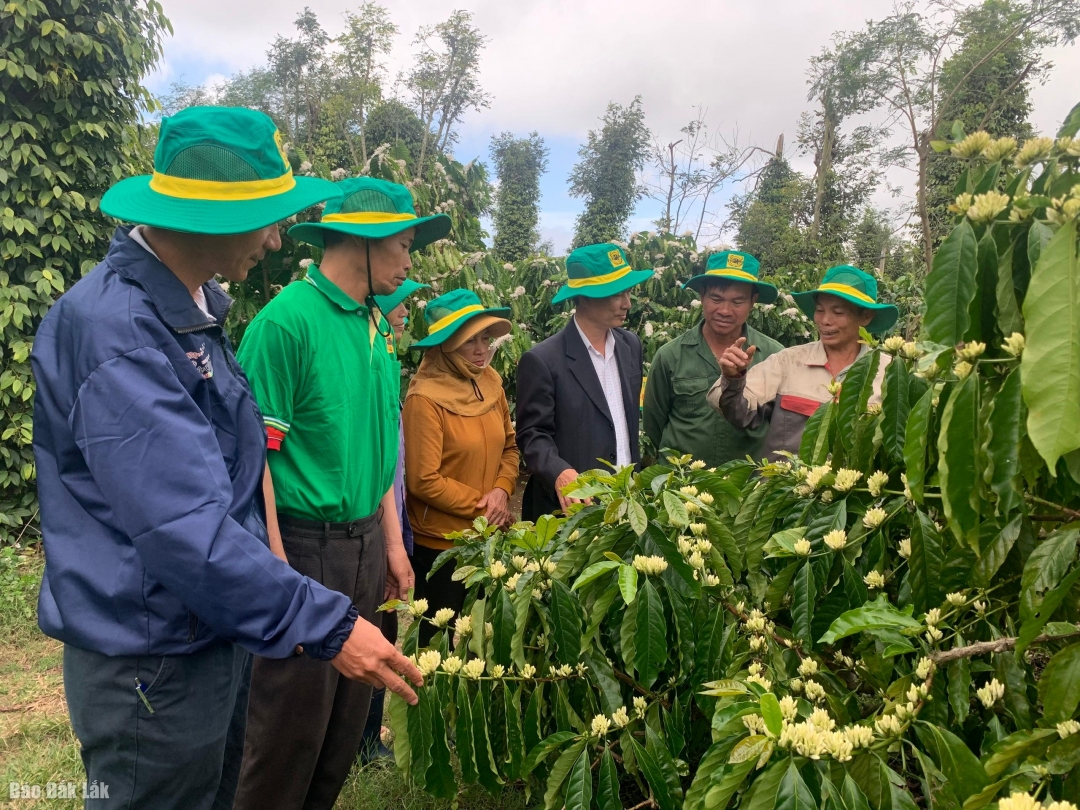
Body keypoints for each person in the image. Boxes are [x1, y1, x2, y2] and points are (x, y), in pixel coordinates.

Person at [30, 106, 422, 810]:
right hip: (151, 659)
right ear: (213, 218)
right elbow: (185, 527)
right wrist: (328, 625)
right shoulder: (118, 332)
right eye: (269, 216)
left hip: (201, 630)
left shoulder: (192, 311)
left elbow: (232, 478)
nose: (277, 237)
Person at [233, 177, 449, 810]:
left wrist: (391, 545)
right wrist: (275, 571)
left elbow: (381, 449)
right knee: (285, 731)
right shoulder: (286, 324)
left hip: (361, 548)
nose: (411, 262)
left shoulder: (377, 328)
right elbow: (255, 464)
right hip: (302, 546)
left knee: (341, 726)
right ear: (361, 241)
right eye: (404, 245)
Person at [403, 289, 519, 646]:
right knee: (437, 640)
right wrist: (485, 507)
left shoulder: (491, 384)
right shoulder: (424, 399)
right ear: (445, 345)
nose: (482, 350)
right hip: (443, 543)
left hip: (487, 534)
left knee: (483, 636)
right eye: (471, 341)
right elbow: (423, 480)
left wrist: (501, 491)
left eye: (486, 339)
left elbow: (511, 448)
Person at [516, 243, 653, 521]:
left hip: (626, 502)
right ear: (584, 298)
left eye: (628, 292)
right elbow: (532, 434)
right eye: (616, 294)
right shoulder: (543, 360)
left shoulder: (630, 346)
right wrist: (559, 471)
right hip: (573, 509)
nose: (627, 303)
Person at [708, 265, 898, 460]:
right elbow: (737, 413)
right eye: (819, 310)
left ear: (866, 316)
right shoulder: (788, 362)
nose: (825, 320)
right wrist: (733, 379)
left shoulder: (889, 372)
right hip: (784, 488)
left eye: (838, 313)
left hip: (853, 489)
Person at [359, 277, 429, 764]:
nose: (404, 312)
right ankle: (356, 737)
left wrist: (395, 540)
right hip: (357, 527)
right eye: (397, 303)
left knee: (382, 628)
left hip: (390, 523)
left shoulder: (387, 361)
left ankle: (363, 734)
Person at [643, 251, 784, 467]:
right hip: (682, 487)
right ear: (702, 295)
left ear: (753, 302)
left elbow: (781, 427)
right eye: (716, 299)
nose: (725, 310)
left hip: (747, 488)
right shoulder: (670, 355)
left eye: (737, 302)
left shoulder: (774, 356)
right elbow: (654, 426)